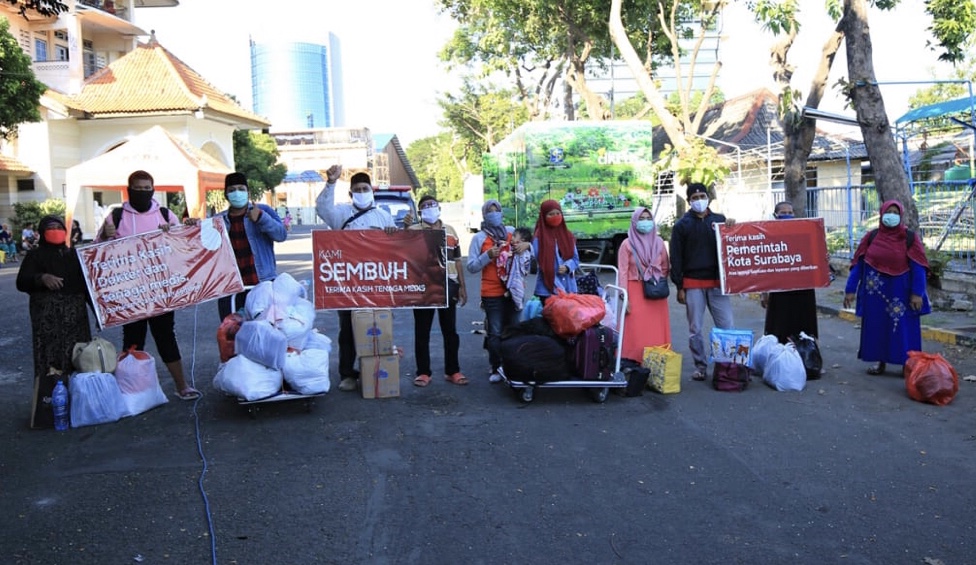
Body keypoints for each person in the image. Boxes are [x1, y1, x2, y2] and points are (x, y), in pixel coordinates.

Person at [96, 170, 199, 400]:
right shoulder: (116, 216)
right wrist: (104, 235)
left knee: (165, 337)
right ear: (129, 189)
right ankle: (131, 389)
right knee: (133, 339)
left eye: (147, 188)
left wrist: (188, 227)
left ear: (153, 189)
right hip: (131, 291)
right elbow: (98, 253)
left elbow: (182, 244)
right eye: (138, 188)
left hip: (160, 290)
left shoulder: (164, 214)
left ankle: (182, 385)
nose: (142, 192)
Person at [315, 165, 397, 392]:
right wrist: (331, 182)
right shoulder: (341, 213)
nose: (361, 192)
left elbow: (396, 251)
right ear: (351, 193)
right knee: (348, 328)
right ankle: (348, 374)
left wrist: (394, 236)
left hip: (376, 283)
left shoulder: (384, 217)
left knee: (376, 327)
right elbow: (322, 209)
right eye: (357, 189)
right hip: (348, 283)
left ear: (372, 191)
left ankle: (374, 372)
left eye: (365, 188)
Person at [16, 216, 92, 428]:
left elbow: (88, 287)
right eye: (50, 228)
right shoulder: (34, 256)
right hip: (47, 320)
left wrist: (101, 314)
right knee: (48, 360)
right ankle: (49, 408)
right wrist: (40, 278)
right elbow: (21, 282)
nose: (56, 231)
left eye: (59, 227)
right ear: (41, 231)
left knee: (78, 357)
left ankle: (80, 407)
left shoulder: (74, 255)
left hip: (75, 317)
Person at [843, 199, 930, 375]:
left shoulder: (910, 238)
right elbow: (858, 264)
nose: (892, 216)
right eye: (888, 212)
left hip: (901, 292)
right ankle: (879, 363)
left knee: (904, 329)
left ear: (901, 215)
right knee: (877, 327)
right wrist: (850, 290)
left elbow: (919, 267)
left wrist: (917, 293)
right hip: (875, 294)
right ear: (882, 214)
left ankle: (908, 365)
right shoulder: (871, 237)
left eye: (896, 213)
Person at [669, 182, 736, 382]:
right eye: (694, 198)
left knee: (727, 326)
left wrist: (733, 227)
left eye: (702, 196)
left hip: (718, 283)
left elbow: (733, 246)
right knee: (695, 329)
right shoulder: (682, 226)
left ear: (708, 197)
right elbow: (676, 257)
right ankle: (700, 366)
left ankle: (727, 366)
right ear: (689, 201)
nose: (699, 200)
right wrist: (679, 286)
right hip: (693, 284)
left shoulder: (720, 221)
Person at [466, 199, 531, 383]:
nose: (494, 214)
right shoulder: (478, 238)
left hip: (514, 291)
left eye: (497, 210)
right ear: (484, 215)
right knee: (495, 333)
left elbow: (529, 245)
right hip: (491, 292)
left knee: (515, 330)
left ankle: (513, 366)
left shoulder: (511, 232)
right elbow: (471, 266)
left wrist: (528, 246)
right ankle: (496, 366)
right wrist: (487, 256)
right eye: (490, 211)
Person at [408, 195, 468, 387]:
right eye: (424, 206)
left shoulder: (450, 231)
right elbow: (400, 252)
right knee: (422, 331)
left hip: (448, 284)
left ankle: (453, 370)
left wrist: (462, 286)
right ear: (420, 212)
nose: (429, 208)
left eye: (432, 205)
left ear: (439, 208)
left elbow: (457, 260)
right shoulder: (413, 231)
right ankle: (423, 372)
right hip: (423, 286)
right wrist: (403, 228)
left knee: (450, 330)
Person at [215, 172, 288, 320]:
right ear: (226, 195)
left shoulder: (263, 211)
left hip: (262, 283)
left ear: (248, 192)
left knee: (265, 332)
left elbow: (281, 235)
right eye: (232, 190)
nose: (237, 193)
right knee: (231, 335)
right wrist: (192, 226)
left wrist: (261, 218)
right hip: (231, 288)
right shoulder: (217, 221)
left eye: (241, 189)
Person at [617, 206, 671, 361]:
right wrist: (624, 295)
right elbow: (623, 271)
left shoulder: (659, 243)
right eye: (641, 219)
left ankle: (657, 364)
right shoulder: (627, 244)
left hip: (655, 292)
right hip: (634, 290)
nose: (645, 222)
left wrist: (656, 280)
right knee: (635, 329)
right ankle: (633, 362)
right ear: (634, 222)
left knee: (656, 329)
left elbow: (665, 267)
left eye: (648, 218)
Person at [760, 201, 819, 343]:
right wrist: (764, 291)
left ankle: (806, 357)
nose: (787, 215)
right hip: (780, 290)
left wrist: (823, 257)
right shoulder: (768, 236)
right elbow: (763, 265)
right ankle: (781, 359)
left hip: (803, 289)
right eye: (783, 213)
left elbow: (815, 254)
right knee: (780, 325)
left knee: (804, 325)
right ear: (775, 215)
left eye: (790, 213)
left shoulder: (805, 232)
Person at [531, 200, 579, 304]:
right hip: (546, 290)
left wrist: (567, 267)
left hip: (568, 288)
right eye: (551, 214)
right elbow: (535, 262)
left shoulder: (568, 235)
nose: (555, 216)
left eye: (558, 213)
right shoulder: (539, 237)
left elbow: (575, 259)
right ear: (543, 216)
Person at [500, 227, 533, 311]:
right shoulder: (511, 248)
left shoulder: (525, 252)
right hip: (512, 274)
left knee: (517, 286)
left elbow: (525, 264)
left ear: (522, 240)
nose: (512, 237)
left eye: (514, 236)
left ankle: (518, 303)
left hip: (517, 275)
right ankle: (510, 293)